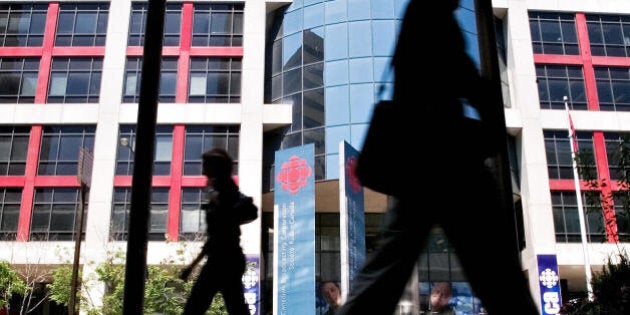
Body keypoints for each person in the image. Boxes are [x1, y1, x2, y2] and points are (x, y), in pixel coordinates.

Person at [336, 1, 540, 315]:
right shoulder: (432, 14)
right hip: (448, 158)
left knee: (389, 265)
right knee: (495, 268)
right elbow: (457, 73)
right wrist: (487, 110)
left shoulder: (421, 12)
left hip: (419, 159)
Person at [180, 148, 249, 315]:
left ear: (215, 167)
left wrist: (192, 266)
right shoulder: (219, 190)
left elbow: (218, 237)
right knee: (235, 307)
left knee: (195, 307)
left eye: (206, 164)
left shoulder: (224, 192)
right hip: (226, 260)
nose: (202, 167)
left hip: (223, 261)